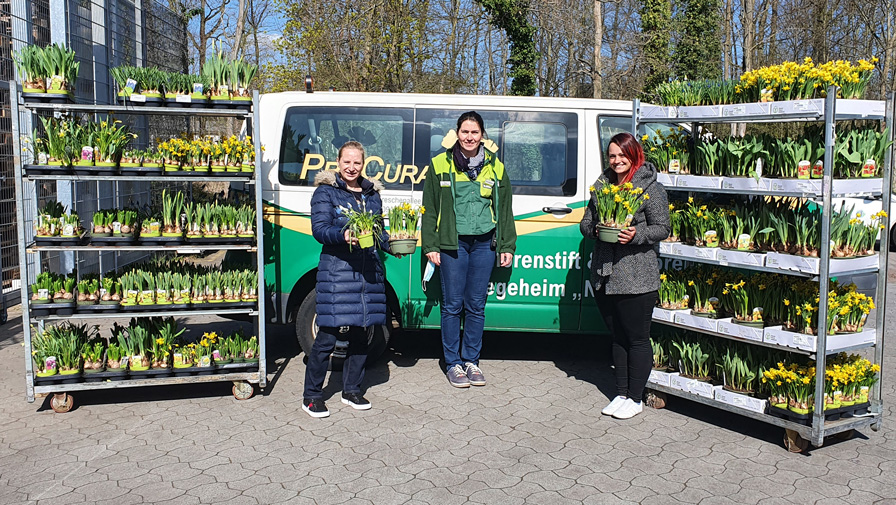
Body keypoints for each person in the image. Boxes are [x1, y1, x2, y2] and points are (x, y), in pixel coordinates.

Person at [421, 111, 517, 388]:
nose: (469, 137)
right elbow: (429, 210)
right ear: (457, 133)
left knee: (476, 305)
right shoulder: (440, 164)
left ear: (482, 136)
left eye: (475, 133)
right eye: (465, 132)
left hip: (484, 245)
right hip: (453, 244)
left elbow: (505, 210)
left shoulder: (496, 167)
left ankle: (471, 361)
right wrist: (430, 244)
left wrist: (507, 244)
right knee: (452, 305)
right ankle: (453, 364)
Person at [579, 132, 670, 419]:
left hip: (636, 275)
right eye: (612, 155)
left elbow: (662, 228)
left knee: (637, 339)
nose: (617, 161)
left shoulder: (650, 188)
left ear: (634, 155)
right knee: (617, 337)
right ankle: (621, 394)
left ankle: (636, 397)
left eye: (622, 155)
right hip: (604, 274)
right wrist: (593, 229)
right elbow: (586, 222)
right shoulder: (602, 185)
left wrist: (635, 234)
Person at [303, 141, 393, 418]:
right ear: (338, 162)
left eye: (357, 163)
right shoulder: (326, 192)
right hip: (338, 273)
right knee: (327, 335)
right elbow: (319, 230)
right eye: (347, 162)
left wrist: (394, 245)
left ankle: (352, 390)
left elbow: (378, 231)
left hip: (367, 275)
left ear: (363, 163)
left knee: (361, 334)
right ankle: (312, 396)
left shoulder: (371, 194)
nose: (352, 167)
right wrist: (343, 236)